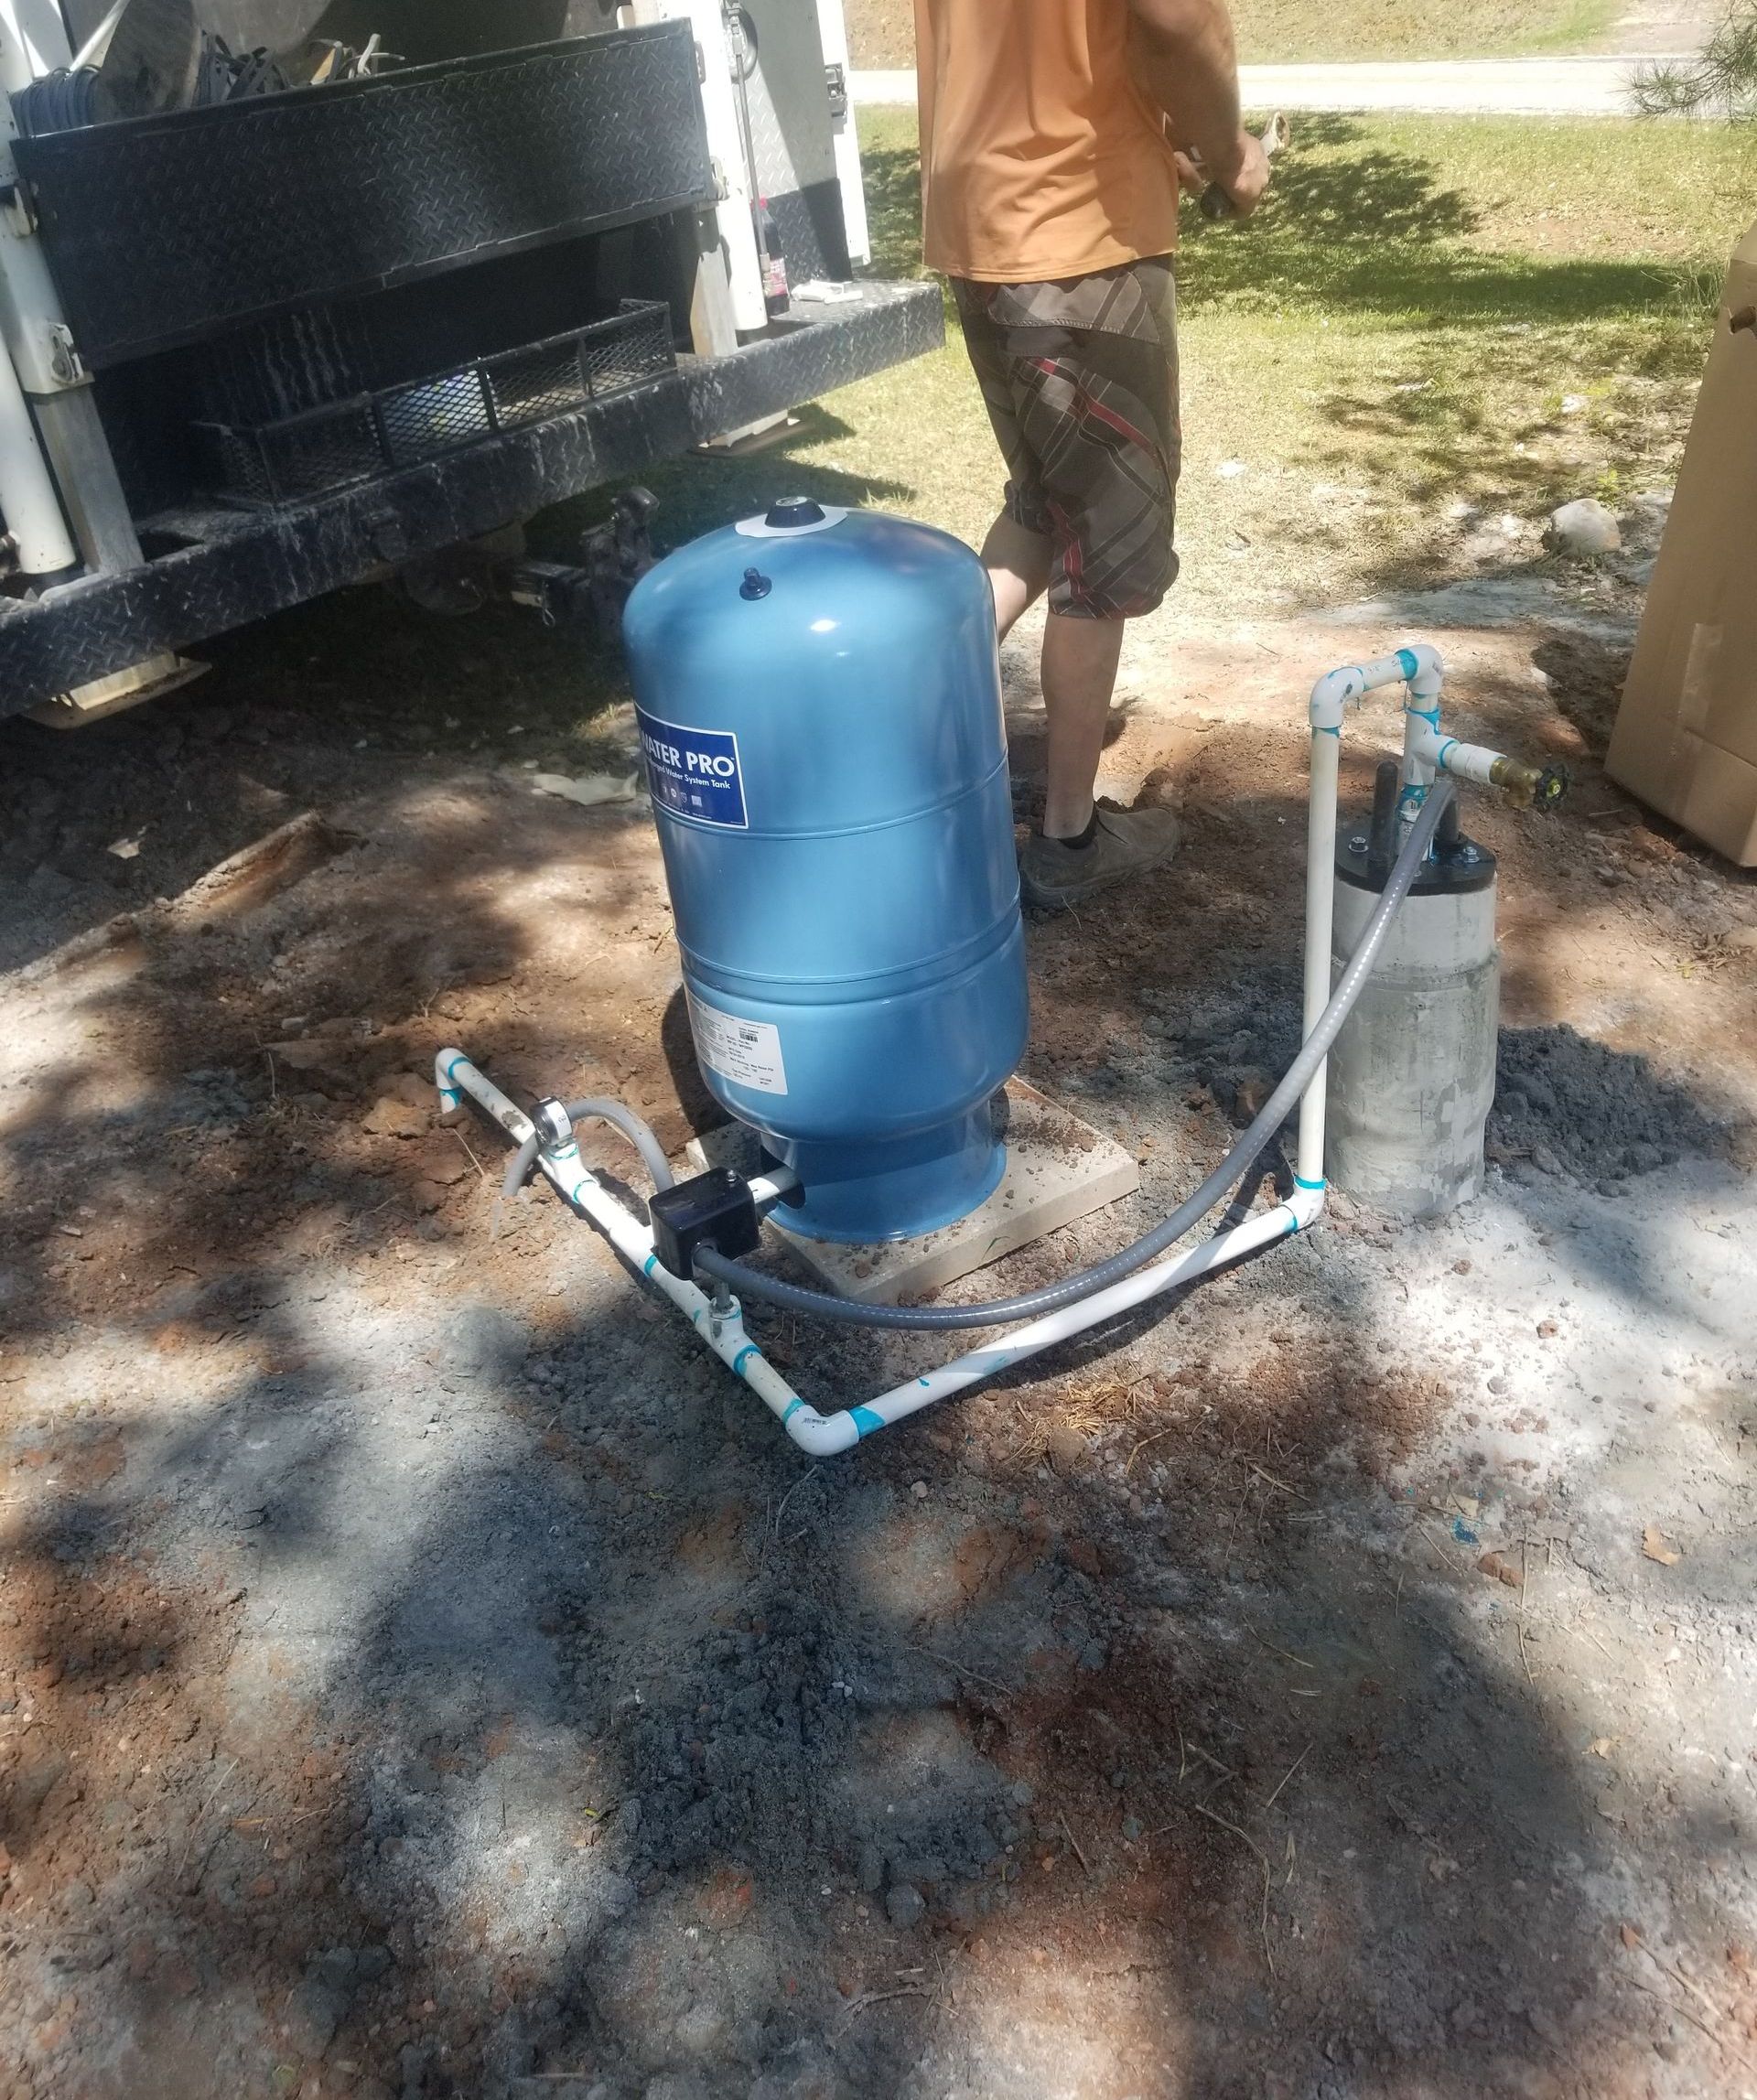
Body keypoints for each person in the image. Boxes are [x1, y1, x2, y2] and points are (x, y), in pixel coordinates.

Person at [912, 0, 1270, 909]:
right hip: (1080, 238)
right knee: (1107, 542)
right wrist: (1230, 153)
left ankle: (894, 727)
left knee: (1044, 501)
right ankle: (1069, 841)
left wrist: (1152, 127)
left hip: (982, 221)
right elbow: (1176, 19)